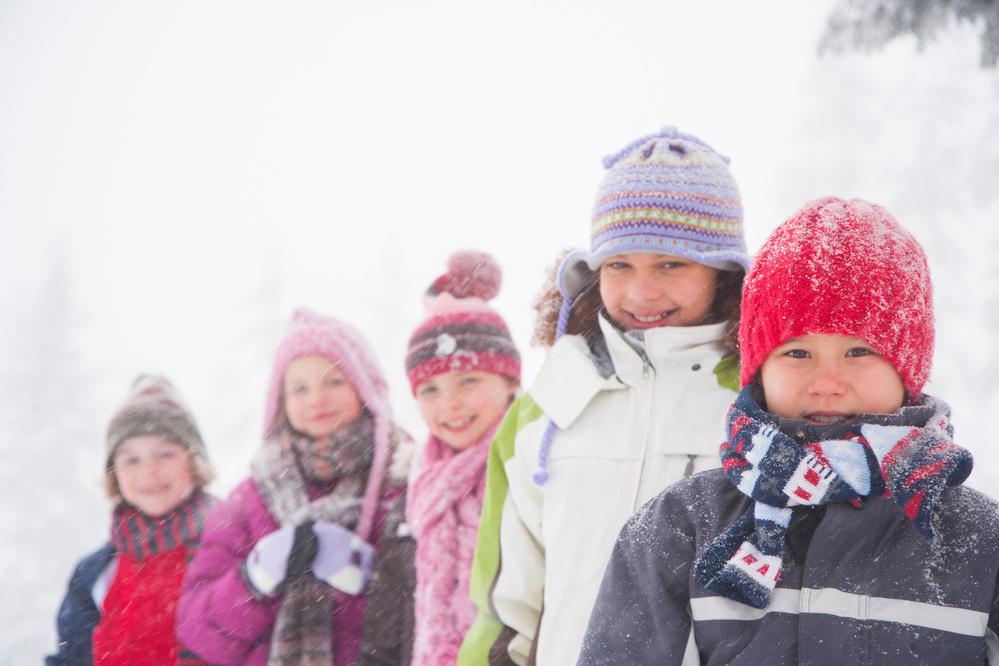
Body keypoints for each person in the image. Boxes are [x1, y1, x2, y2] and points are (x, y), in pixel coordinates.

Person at [578, 197, 999, 664]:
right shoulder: (679, 527)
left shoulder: (979, 541)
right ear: (758, 369)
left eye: (859, 352)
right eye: (797, 353)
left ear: (908, 368)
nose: (826, 383)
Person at [459, 127, 752, 665]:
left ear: (724, 272)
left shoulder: (753, 404)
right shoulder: (547, 407)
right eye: (620, 265)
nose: (642, 291)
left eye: (671, 264)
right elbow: (507, 602)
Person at [176, 309, 414, 666]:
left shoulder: (402, 480)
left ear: (363, 388)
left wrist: (370, 581)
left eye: (334, 381)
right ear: (281, 403)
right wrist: (255, 577)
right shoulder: (251, 497)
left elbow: (431, 610)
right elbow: (199, 631)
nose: (317, 399)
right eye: (299, 388)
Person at [47, 375, 216, 665]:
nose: (149, 471)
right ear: (115, 474)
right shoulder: (95, 573)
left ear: (194, 461)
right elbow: (71, 657)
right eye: (131, 460)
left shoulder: (227, 547)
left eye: (165, 454)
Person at [406, 251, 521, 665]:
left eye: (468, 380)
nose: (449, 404)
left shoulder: (526, 462)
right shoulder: (423, 480)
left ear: (511, 381)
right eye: (429, 390)